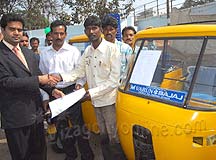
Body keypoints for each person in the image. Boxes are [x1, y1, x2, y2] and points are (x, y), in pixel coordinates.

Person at [54, 15, 126, 160]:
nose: (91, 31)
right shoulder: (88, 51)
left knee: (113, 137)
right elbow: (79, 72)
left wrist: (90, 93)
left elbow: (114, 81)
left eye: (94, 28)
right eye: (88, 29)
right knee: (103, 135)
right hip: (95, 102)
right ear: (85, 31)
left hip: (109, 101)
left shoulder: (112, 50)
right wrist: (61, 77)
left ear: (100, 30)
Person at [0, 13, 64, 160]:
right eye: (12, 29)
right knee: (22, 156)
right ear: (3, 30)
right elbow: (6, 82)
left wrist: (52, 90)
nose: (17, 33)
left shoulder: (27, 52)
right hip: (16, 118)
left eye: (19, 29)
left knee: (40, 154)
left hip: (36, 115)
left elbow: (38, 75)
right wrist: (39, 79)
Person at [39, 20, 94, 160]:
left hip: (72, 91)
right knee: (61, 127)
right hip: (54, 93)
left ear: (65, 34)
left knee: (78, 126)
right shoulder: (44, 54)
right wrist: (46, 96)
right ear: (50, 34)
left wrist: (80, 84)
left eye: (61, 33)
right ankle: (70, 155)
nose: (58, 36)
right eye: (55, 33)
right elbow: (42, 78)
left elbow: (82, 72)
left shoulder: (73, 51)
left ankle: (87, 155)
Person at [102, 15, 133, 80]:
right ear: (102, 31)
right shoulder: (98, 49)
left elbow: (131, 69)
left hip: (120, 86)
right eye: (106, 30)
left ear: (116, 30)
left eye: (111, 29)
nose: (108, 32)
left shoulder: (125, 49)